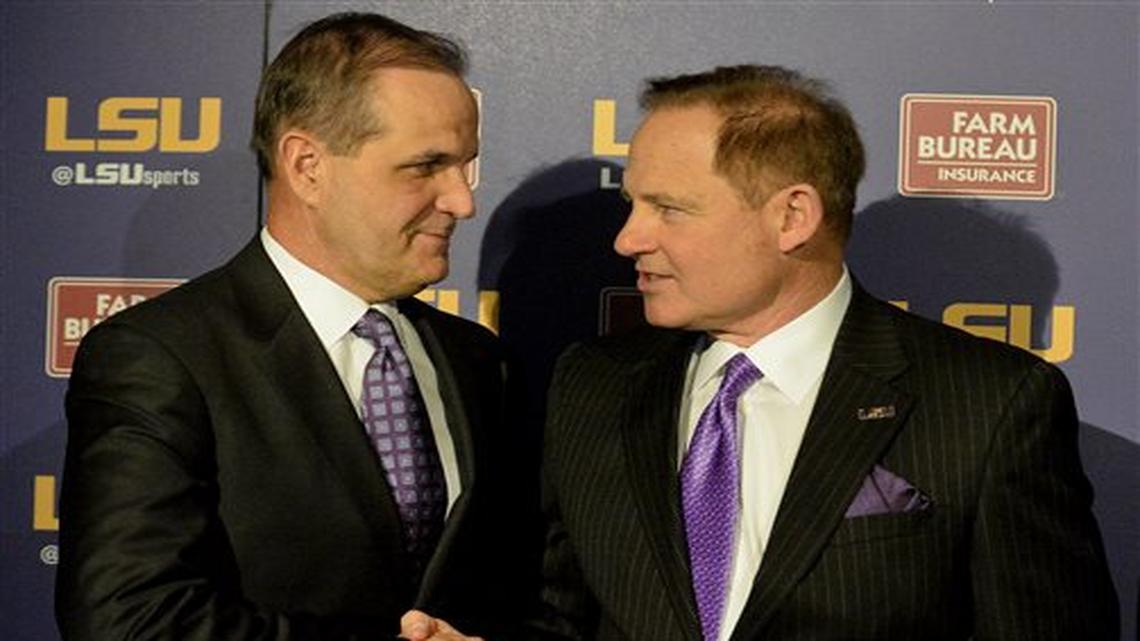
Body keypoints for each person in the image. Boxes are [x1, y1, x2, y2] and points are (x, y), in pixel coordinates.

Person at [403, 64, 1119, 641]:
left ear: (792, 216)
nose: (627, 239)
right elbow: (568, 617)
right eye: (632, 204)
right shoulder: (596, 383)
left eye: (669, 209)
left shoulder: (988, 404)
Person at [56, 12, 525, 641]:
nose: (463, 200)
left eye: (463, 165)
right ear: (307, 166)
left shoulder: (476, 359)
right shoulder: (164, 356)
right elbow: (128, 618)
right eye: (424, 166)